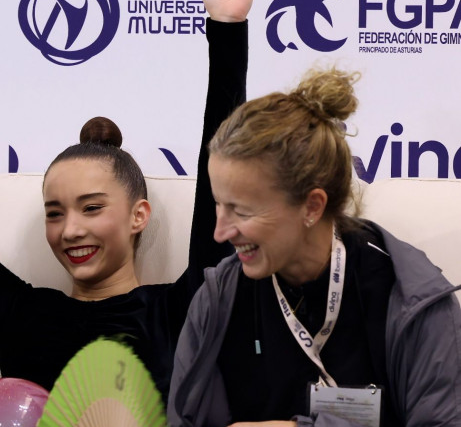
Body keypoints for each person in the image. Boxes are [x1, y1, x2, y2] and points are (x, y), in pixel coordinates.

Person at [0, 0, 254, 401]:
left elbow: (220, 176)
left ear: (138, 215)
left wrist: (227, 28)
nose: (70, 230)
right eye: (55, 213)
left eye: (91, 208)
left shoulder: (184, 310)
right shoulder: (20, 314)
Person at [167, 68, 461, 426]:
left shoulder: (413, 304)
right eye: (218, 204)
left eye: (241, 210)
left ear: (311, 207)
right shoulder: (218, 300)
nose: (220, 232)